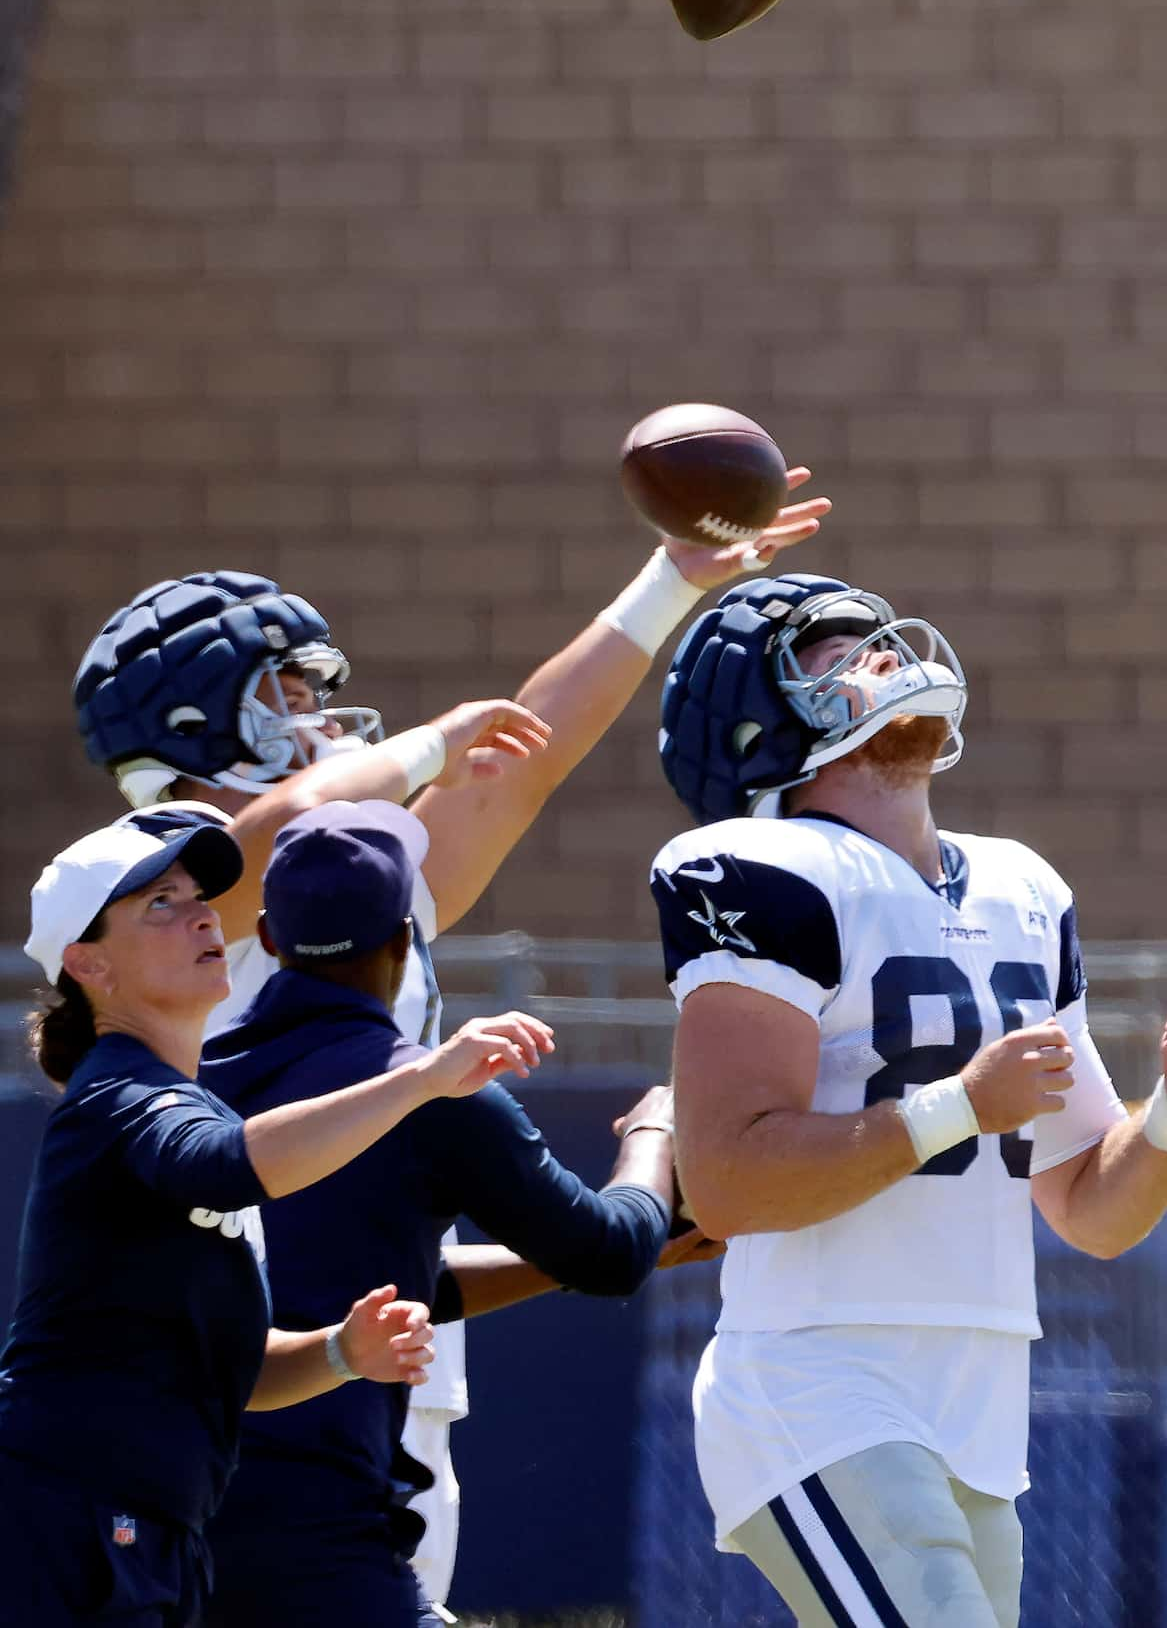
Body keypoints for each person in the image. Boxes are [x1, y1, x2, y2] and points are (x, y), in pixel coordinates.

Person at [71, 475, 828, 1606]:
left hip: (360, 1363)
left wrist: (671, 581)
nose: (323, 716)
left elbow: (525, 758)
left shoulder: (337, 891)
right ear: (192, 729)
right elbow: (266, 832)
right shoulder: (160, 889)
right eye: (286, 692)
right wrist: (427, 744)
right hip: (231, 1377)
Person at [648, 571, 1167, 1628]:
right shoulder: (758, 869)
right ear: (758, 720)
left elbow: (1092, 1207)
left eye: (881, 636)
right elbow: (731, 1182)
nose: (886, 654)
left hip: (976, 1395)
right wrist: (960, 1107)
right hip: (816, 1380)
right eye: (837, 650)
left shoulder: (1021, 889)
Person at [0, 807, 554, 1628]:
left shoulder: (176, 1098)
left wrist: (339, 1351)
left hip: (147, 1535)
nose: (199, 914)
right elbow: (228, 1167)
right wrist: (425, 1077)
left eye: (198, 897)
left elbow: (236, 1372)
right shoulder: (119, 1092)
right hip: (64, 1527)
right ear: (87, 964)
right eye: (158, 903)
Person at [193, 799, 679, 1626]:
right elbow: (609, 1253)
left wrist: (590, 1254)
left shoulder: (189, 1082)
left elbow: (365, 1276)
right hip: (323, 1538)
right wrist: (654, 1136)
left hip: (177, 1521)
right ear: (402, 943)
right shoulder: (434, 1091)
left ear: (267, 937)